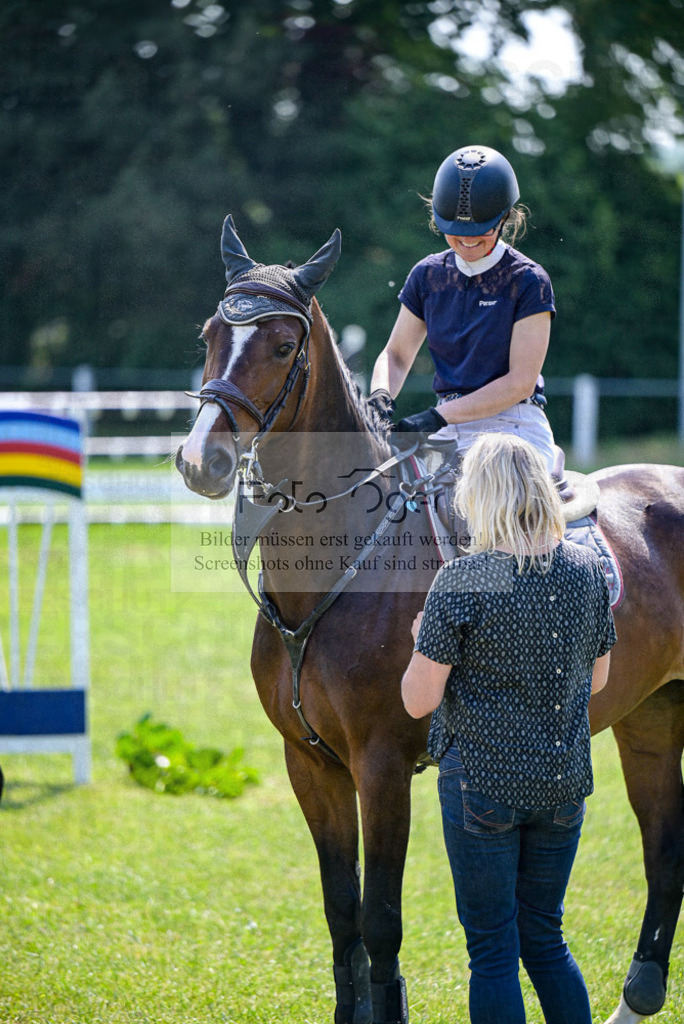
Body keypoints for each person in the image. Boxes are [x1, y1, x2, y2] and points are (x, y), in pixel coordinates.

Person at [401, 433, 617, 1024]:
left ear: (480, 496)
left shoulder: (464, 580)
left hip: (483, 790)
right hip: (563, 787)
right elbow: (597, 682)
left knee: (493, 952)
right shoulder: (588, 569)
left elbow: (418, 701)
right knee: (545, 940)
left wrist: (425, 639)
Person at [369, 144, 557, 473]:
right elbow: (396, 355)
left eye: (479, 231)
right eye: (455, 231)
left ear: (505, 218)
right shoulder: (427, 275)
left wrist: (436, 417)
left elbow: (520, 382)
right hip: (447, 429)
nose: (466, 241)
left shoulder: (528, 280)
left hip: (514, 426)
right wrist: (380, 397)